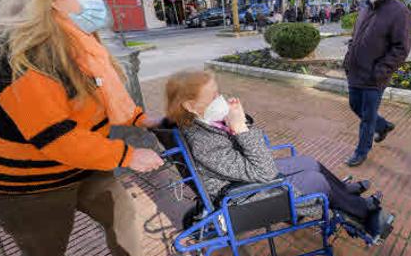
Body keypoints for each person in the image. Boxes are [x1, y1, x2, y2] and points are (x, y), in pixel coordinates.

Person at [0, 0, 166, 256]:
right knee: (44, 254)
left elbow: (98, 95)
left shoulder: (74, 38)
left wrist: (139, 119)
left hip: (81, 163)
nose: (98, 0)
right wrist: (128, 155)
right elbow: (57, 137)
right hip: (27, 184)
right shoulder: (17, 54)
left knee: (121, 212)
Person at [163, 70, 395, 239]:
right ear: (191, 106)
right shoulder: (203, 142)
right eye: (213, 96)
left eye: (218, 93)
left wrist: (238, 122)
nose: (220, 99)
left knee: (309, 162)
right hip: (240, 195)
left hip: (245, 176)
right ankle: (365, 214)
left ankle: (343, 193)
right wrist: (241, 128)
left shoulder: (202, 122)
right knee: (315, 180)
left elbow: (252, 161)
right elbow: (264, 171)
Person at [342, 0, 411, 167]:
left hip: (375, 76)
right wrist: (348, 58)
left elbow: (401, 48)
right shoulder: (366, 6)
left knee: (367, 117)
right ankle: (383, 126)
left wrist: (380, 71)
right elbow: (357, 36)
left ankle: (361, 151)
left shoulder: (399, 12)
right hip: (356, 71)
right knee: (355, 105)